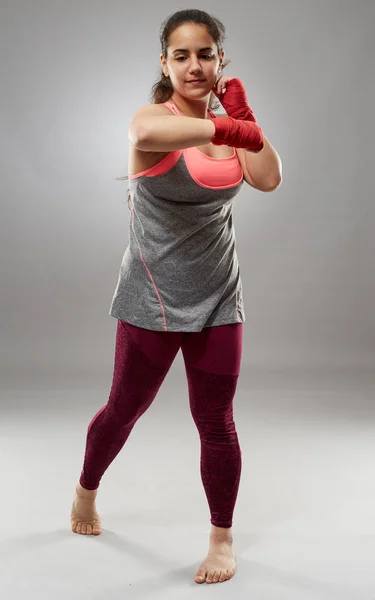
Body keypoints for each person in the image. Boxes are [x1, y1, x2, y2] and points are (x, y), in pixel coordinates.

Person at [70, 8, 282, 585]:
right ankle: (86, 492)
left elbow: (267, 177)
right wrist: (224, 128)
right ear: (164, 62)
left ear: (221, 61)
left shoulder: (230, 122)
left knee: (217, 420)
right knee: (124, 409)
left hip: (219, 293)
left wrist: (245, 118)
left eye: (206, 54)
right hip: (152, 295)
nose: (195, 65)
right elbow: (144, 135)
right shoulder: (154, 119)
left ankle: (221, 539)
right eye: (182, 55)